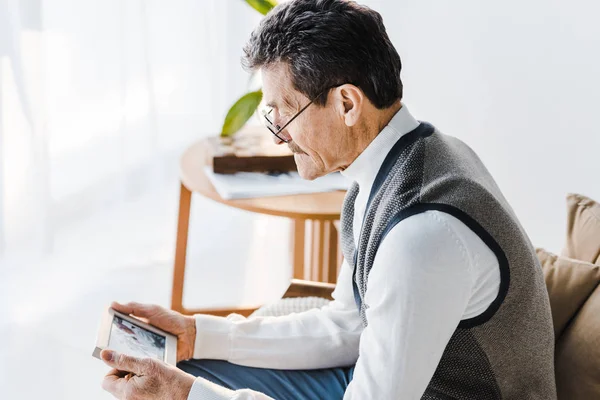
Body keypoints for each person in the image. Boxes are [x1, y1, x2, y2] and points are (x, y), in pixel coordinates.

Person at [99, 0, 557, 398]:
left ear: (347, 104)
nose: (277, 136)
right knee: (177, 372)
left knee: (178, 389)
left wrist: (188, 396)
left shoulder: (420, 239)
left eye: (284, 112)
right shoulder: (398, 161)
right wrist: (198, 334)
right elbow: (347, 324)